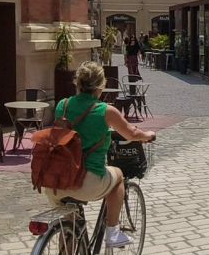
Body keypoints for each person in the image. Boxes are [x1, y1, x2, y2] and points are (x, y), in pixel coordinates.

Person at [46, 61, 156, 248]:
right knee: (119, 177)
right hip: (86, 182)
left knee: (70, 225)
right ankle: (112, 232)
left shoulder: (62, 106)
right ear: (101, 85)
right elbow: (132, 133)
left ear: (77, 83)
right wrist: (148, 135)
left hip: (56, 181)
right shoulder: (105, 111)